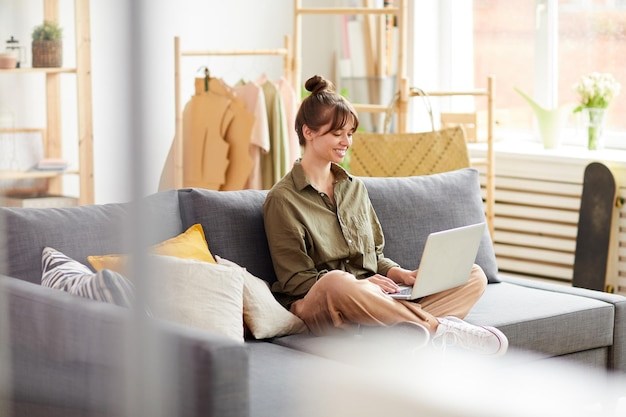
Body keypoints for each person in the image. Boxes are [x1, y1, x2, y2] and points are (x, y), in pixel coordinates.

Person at [262, 75, 508, 355]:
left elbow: (374, 256)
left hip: (373, 299)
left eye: (351, 133)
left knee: (472, 274)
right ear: (308, 132)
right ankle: (438, 329)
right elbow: (297, 282)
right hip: (324, 306)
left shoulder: (355, 189)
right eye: (337, 133)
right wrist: (360, 285)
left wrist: (402, 275)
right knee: (336, 282)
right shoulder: (282, 199)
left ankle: (398, 329)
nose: (347, 142)